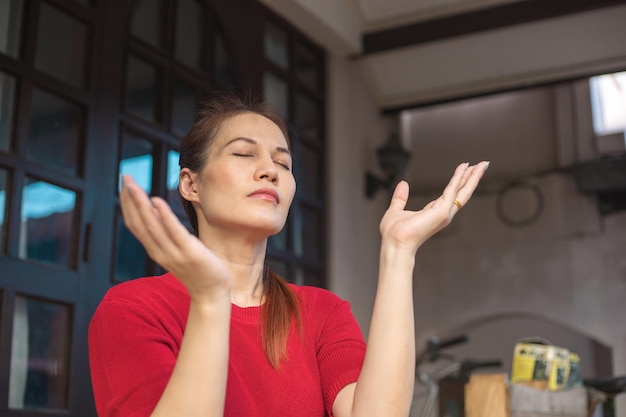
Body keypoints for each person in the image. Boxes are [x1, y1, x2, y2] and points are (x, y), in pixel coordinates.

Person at [88, 91, 489, 417]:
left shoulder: (321, 313)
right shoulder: (134, 309)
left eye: (283, 161)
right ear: (191, 185)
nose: (270, 170)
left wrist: (400, 252)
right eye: (245, 154)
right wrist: (211, 298)